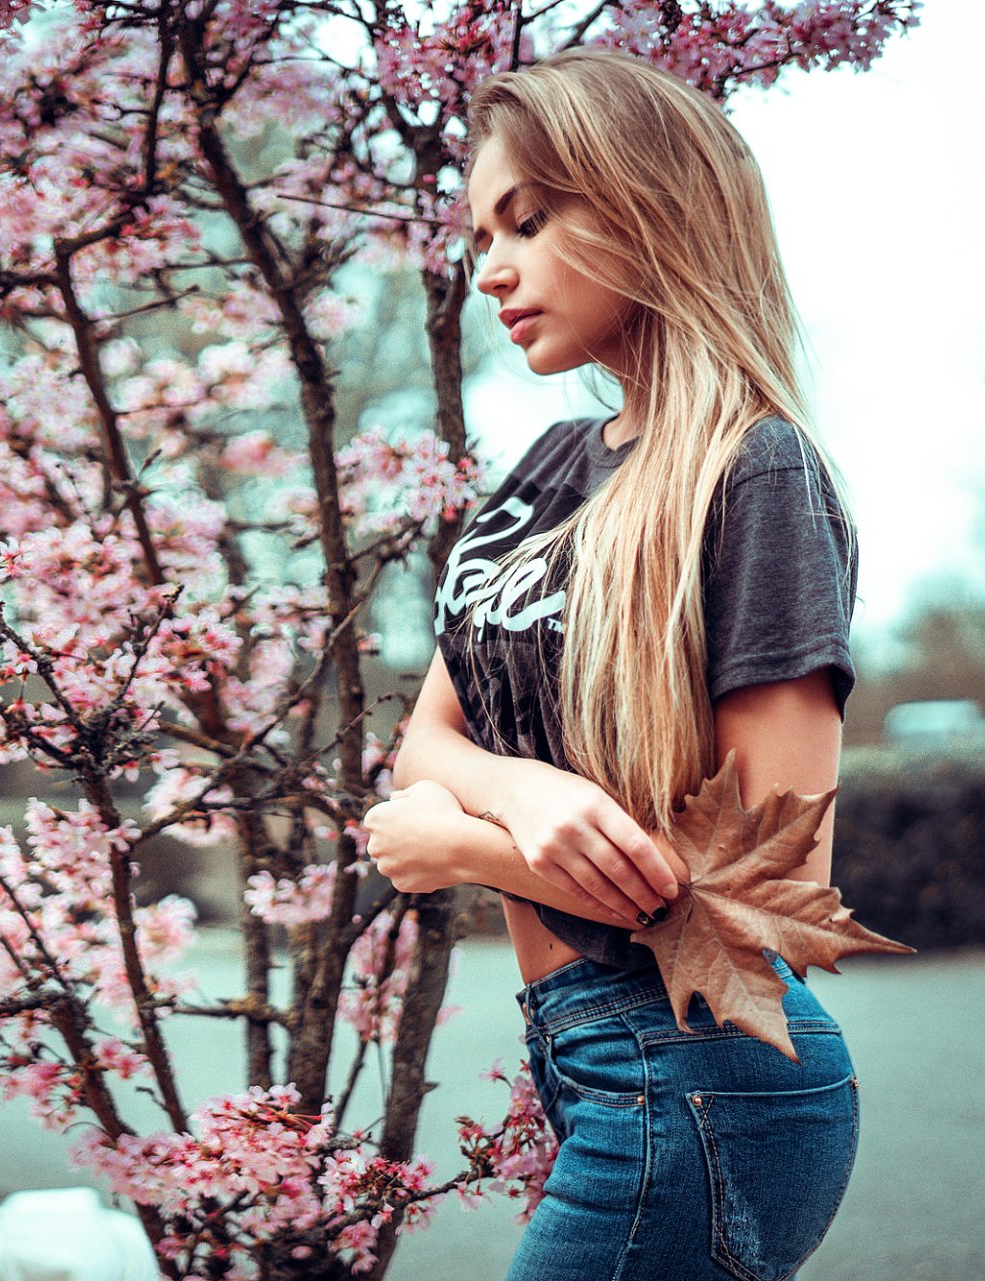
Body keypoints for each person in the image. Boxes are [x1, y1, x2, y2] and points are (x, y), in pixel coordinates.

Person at [363, 48, 862, 1281]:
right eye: (485, 231)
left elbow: (766, 892)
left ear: (651, 203)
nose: (492, 270)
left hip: (704, 1078)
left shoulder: (756, 475)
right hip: (589, 1062)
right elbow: (426, 740)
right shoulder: (543, 471)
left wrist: (466, 848)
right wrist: (529, 793)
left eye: (529, 221)